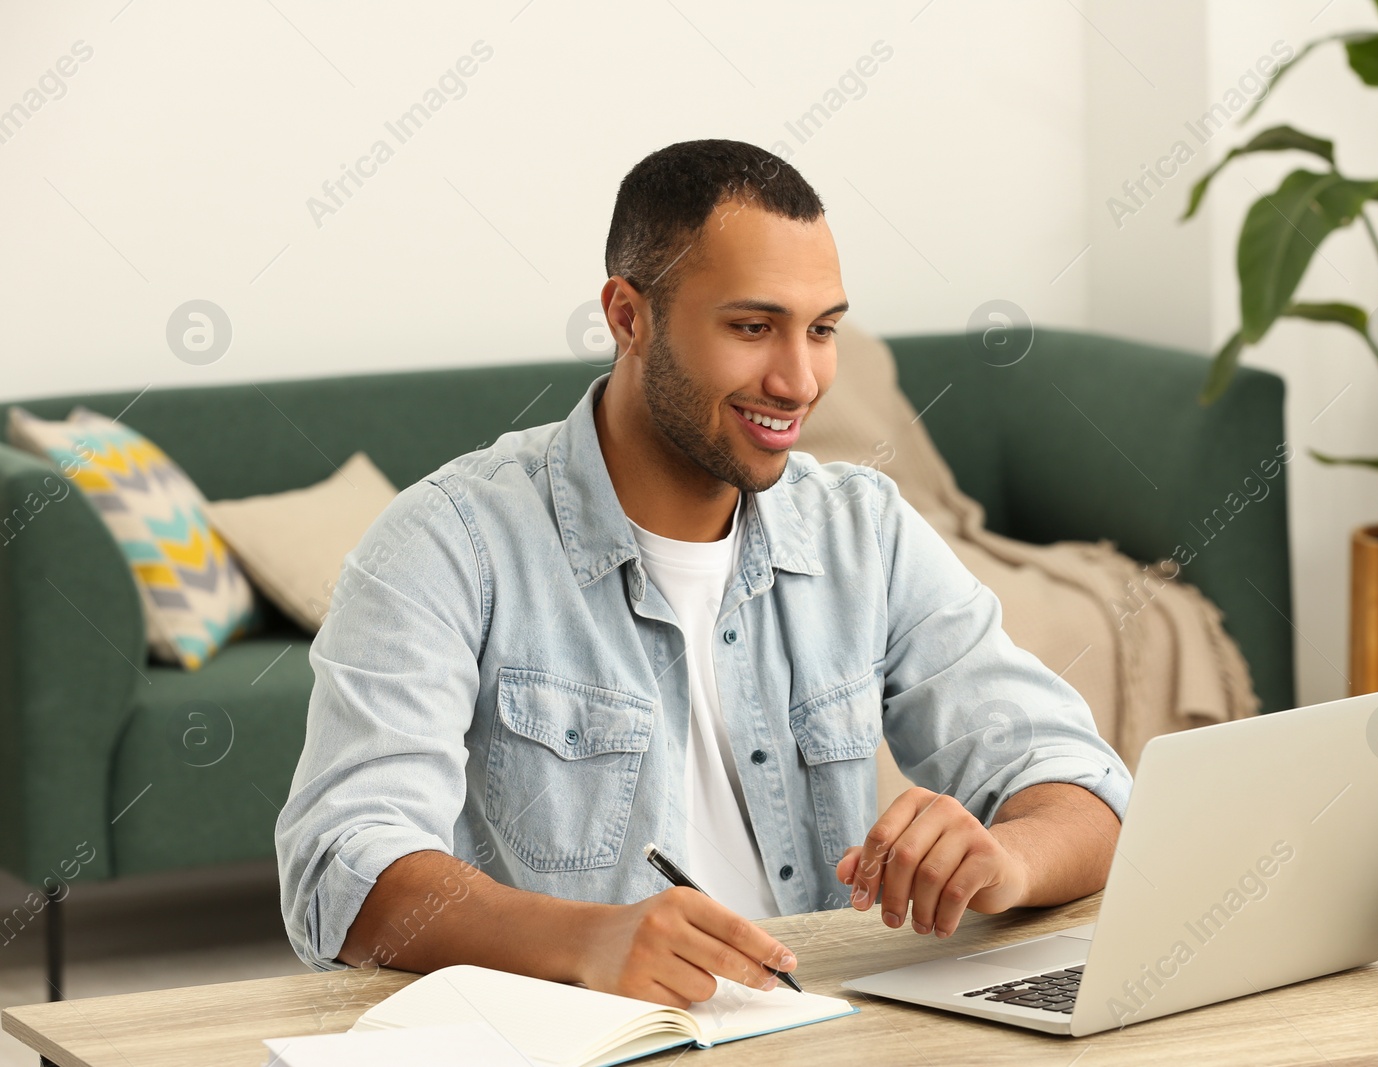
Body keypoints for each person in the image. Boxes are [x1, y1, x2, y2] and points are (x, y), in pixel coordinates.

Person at [275, 138, 1132, 1010]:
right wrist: (589, 938)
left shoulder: (862, 530)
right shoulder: (448, 539)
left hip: (825, 1022)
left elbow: (1086, 787)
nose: (799, 380)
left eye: (823, 329)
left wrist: (1005, 859)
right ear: (627, 316)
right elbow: (340, 866)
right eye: (753, 327)